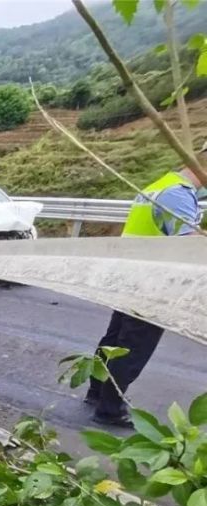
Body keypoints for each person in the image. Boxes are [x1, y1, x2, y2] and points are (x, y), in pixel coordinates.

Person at [86, 141, 206, 427]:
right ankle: (110, 409)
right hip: (153, 282)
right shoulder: (178, 195)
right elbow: (186, 245)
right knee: (134, 346)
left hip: (131, 274)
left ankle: (96, 391)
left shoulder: (160, 185)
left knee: (115, 339)